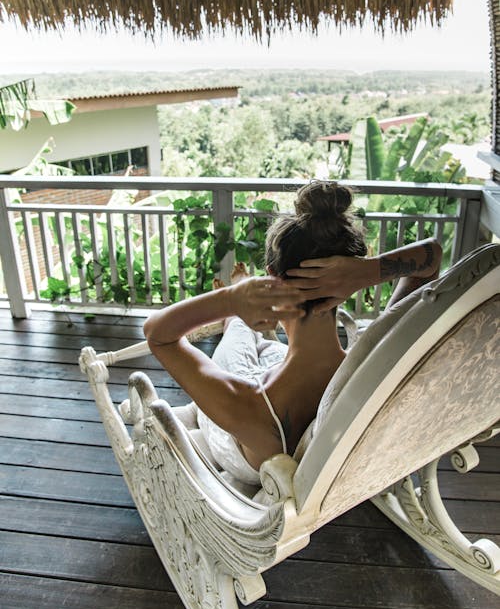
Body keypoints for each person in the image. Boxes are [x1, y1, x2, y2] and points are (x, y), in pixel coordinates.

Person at [144, 180, 442, 487]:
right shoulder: (373, 358)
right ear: (349, 283)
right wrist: (368, 271)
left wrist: (230, 299)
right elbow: (431, 258)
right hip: (289, 376)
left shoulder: (249, 405)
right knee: (264, 348)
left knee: (234, 344)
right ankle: (244, 321)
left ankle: (236, 317)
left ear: (273, 276)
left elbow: (158, 334)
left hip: (236, 427)